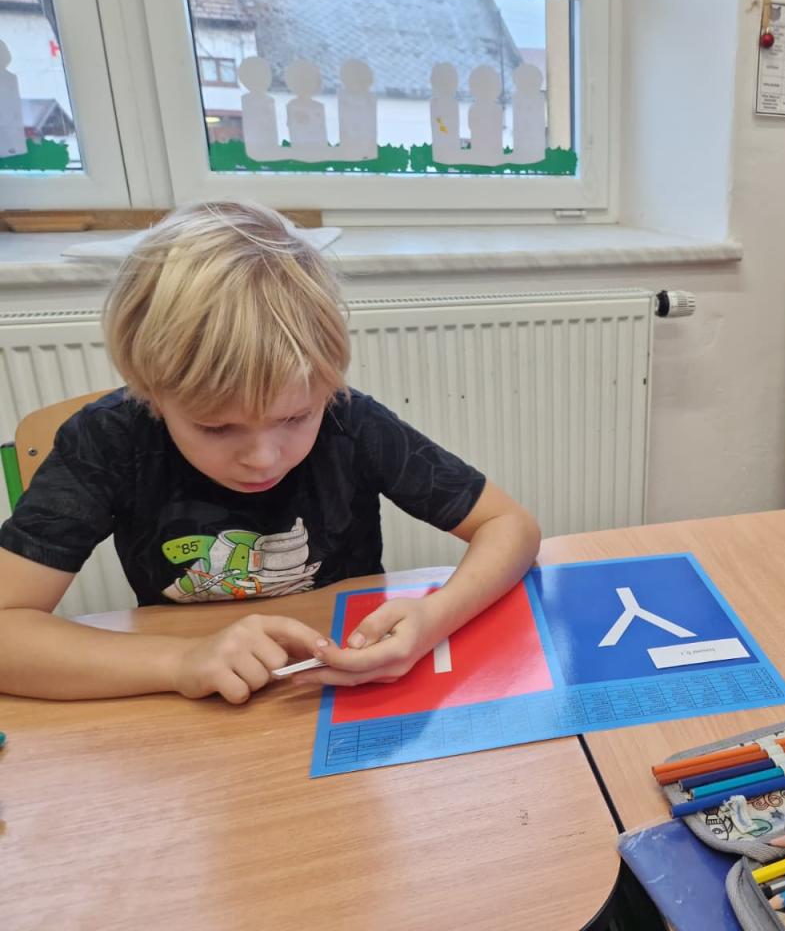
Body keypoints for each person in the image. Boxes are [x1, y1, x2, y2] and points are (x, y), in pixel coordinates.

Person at [0, 201, 540, 704]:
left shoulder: (349, 419)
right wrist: (180, 661)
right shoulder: (108, 441)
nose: (262, 458)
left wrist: (434, 618)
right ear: (151, 393)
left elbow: (509, 526)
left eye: (294, 418)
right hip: (197, 711)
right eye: (215, 427)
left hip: (342, 692)